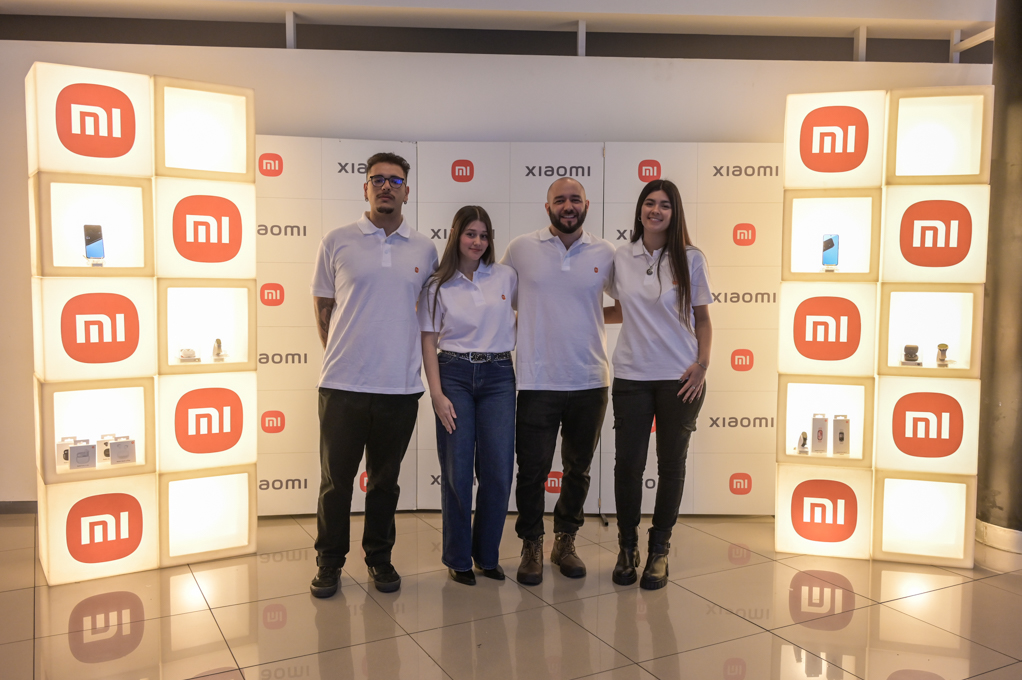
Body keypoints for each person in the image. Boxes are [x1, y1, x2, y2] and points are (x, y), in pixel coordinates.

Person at [309, 152, 438, 597]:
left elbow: (430, 314)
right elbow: (323, 306)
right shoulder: (337, 240)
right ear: (365, 188)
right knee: (335, 483)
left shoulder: (425, 249)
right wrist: (343, 357)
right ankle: (329, 563)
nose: (386, 186)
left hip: (399, 388)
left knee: (385, 483)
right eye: (377, 179)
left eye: (395, 180)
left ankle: (379, 559)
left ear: (407, 191)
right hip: (341, 386)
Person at [500, 177, 616, 585]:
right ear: (547, 206)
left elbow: (626, 304)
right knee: (532, 470)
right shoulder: (520, 249)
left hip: (590, 378)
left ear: (587, 205)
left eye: (575, 200)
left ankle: (565, 541)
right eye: (560, 200)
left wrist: (588, 315)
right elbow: (499, 300)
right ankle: (531, 544)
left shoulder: (606, 252)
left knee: (577, 470)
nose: (568, 206)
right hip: (537, 380)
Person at [605, 178, 712, 590]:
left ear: (674, 212)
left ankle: (660, 550)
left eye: (665, 205)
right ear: (640, 210)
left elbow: (703, 319)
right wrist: (569, 316)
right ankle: (627, 547)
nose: (656, 210)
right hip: (632, 375)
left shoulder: (691, 258)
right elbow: (620, 311)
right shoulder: (622, 256)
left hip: (680, 378)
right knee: (628, 466)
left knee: (671, 465)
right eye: (649, 203)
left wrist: (702, 364)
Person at [419, 206, 518, 586]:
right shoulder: (437, 284)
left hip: (498, 375)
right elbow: (428, 340)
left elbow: (533, 311)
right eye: (470, 234)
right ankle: (459, 558)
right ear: (456, 235)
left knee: (498, 472)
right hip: (454, 375)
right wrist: (437, 394)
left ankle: (487, 556)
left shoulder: (505, 276)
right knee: (457, 472)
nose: (477, 242)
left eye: (484, 235)